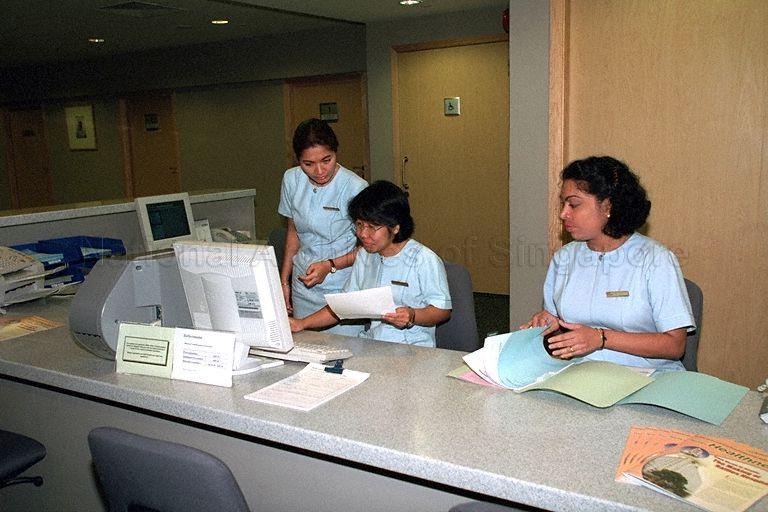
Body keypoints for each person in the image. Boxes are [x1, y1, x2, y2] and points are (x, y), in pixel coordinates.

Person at [522, 156, 694, 371]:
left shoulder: (656, 259)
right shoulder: (564, 258)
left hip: (648, 377)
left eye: (574, 204)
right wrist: (549, 324)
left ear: (608, 206)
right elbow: (563, 333)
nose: (563, 214)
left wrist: (601, 338)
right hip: (581, 372)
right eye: (563, 204)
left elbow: (675, 345)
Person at [289, 180, 452, 347]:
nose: (363, 234)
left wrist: (413, 315)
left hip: (413, 347)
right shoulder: (365, 256)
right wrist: (302, 323)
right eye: (359, 225)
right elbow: (343, 307)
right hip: (374, 343)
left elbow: (442, 310)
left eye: (373, 227)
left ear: (395, 227)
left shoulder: (424, 259)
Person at [278, 118, 367, 335]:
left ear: (336, 152)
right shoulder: (291, 180)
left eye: (326, 160)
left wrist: (330, 265)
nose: (319, 171)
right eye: (308, 164)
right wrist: (284, 281)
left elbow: (367, 247)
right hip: (303, 286)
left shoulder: (355, 187)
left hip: (341, 287)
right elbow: (293, 233)